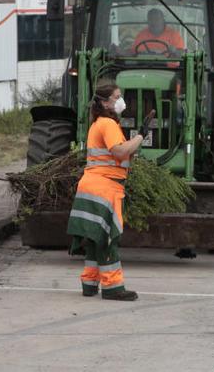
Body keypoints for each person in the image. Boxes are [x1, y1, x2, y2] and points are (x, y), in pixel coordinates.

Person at [68, 82, 148, 301]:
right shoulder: (108, 124)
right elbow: (120, 152)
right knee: (107, 237)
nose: (121, 101)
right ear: (105, 102)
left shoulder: (98, 124)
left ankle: (89, 283)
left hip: (92, 184)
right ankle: (113, 287)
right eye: (117, 96)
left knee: (95, 239)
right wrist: (140, 136)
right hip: (104, 187)